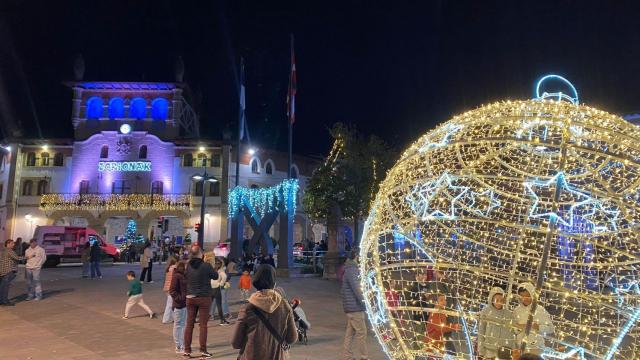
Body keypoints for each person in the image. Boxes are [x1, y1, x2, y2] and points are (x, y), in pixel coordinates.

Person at [232, 264, 297, 360]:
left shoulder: (247, 308)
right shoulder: (285, 306)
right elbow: (292, 338)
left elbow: (236, 343)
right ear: (274, 283)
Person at [183, 246, 219, 358]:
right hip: (204, 298)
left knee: (189, 324)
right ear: (200, 253)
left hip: (190, 297)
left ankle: (187, 350)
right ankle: (203, 350)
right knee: (203, 325)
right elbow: (215, 276)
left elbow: (186, 277)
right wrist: (211, 265)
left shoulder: (187, 265)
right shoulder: (206, 265)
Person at [341, 248, 369, 360]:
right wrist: (365, 303)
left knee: (350, 333)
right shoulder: (352, 270)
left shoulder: (349, 269)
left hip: (350, 307)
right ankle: (364, 357)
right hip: (355, 307)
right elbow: (357, 289)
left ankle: (347, 356)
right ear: (357, 256)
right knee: (362, 333)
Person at [513, 283, 555, 356]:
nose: (525, 298)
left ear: (532, 295)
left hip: (536, 348)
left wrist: (538, 327)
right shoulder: (516, 311)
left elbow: (551, 328)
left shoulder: (540, 310)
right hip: (520, 348)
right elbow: (513, 329)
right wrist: (519, 327)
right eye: (522, 296)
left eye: (527, 296)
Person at [478, 287, 516, 359]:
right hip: (489, 350)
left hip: (504, 351)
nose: (499, 302)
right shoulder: (486, 312)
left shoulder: (508, 314)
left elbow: (512, 333)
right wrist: (481, 350)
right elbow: (481, 331)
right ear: (492, 299)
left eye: (501, 300)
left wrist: (513, 349)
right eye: (497, 300)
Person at [169, 261, 187, 354]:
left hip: (184, 304)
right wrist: (180, 298)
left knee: (183, 325)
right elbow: (172, 290)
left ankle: (182, 344)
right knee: (178, 324)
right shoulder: (177, 276)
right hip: (179, 304)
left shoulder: (183, 275)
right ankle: (178, 345)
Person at [0, 239, 24, 306]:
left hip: (2, 271)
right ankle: (5, 301)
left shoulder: (2, 250)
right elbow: (17, 258)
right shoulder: (9, 251)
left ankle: (1, 300)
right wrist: (27, 257)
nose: (13, 244)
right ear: (8, 244)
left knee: (2, 287)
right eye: (12, 243)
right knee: (6, 287)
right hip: (8, 271)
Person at [210, 259, 231, 325]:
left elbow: (226, 277)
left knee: (217, 302)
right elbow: (226, 277)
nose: (217, 264)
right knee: (219, 302)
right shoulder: (220, 270)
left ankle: (224, 315)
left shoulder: (216, 270)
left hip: (216, 288)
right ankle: (221, 317)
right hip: (217, 288)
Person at [162, 256, 179, 324]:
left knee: (172, 303)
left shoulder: (168, 268)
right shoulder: (174, 269)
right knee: (169, 304)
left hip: (167, 288)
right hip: (171, 288)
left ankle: (174, 318)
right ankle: (165, 319)